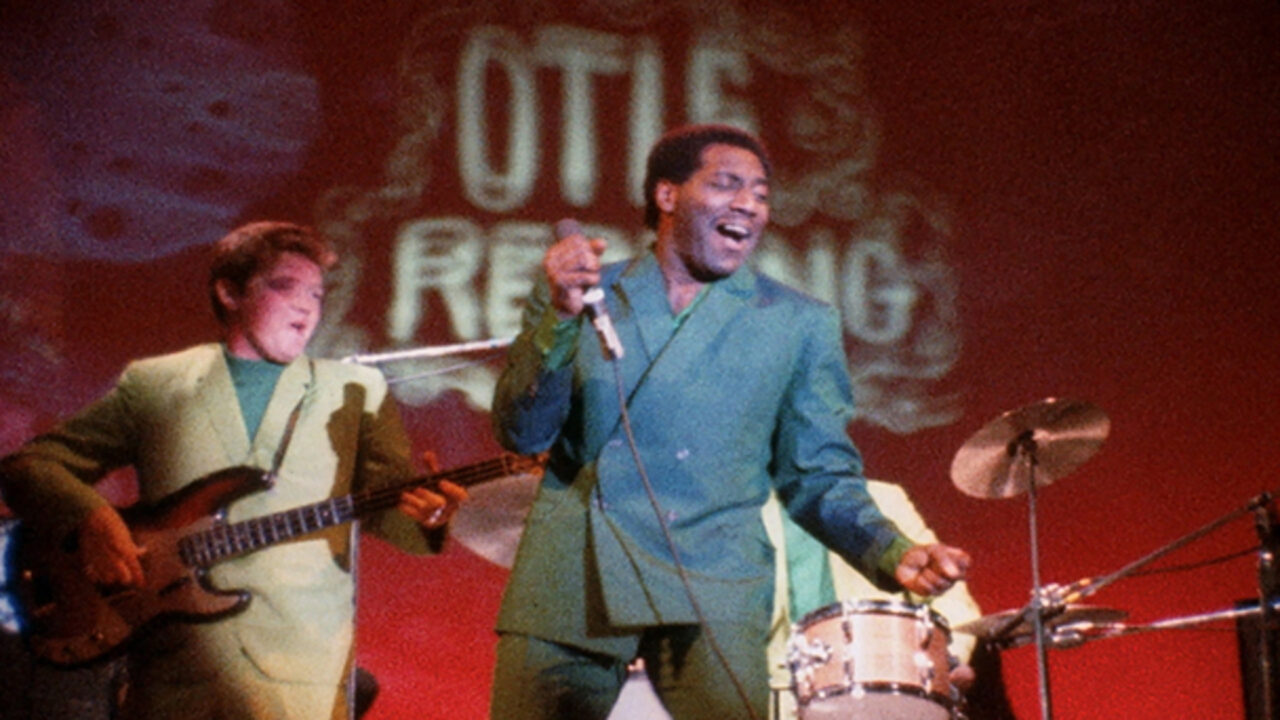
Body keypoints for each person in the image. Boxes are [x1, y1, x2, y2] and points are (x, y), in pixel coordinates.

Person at [489, 123, 971, 720]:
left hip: (711, 580)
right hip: (575, 574)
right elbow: (522, 432)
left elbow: (817, 474)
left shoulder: (796, 323)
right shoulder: (583, 293)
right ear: (667, 196)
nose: (749, 204)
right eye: (726, 185)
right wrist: (560, 319)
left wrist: (890, 549)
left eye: (761, 194)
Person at [0, 221, 467, 720]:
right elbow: (31, 466)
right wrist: (92, 519)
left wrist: (429, 518)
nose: (307, 305)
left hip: (301, 678)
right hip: (178, 677)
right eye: (285, 286)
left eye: (317, 292)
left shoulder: (356, 391)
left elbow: (387, 512)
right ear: (229, 292)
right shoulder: (158, 385)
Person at [763, 482, 983, 719]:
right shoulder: (736, 513)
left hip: (876, 696)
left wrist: (946, 658)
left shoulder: (881, 498)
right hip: (768, 700)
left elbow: (948, 595)